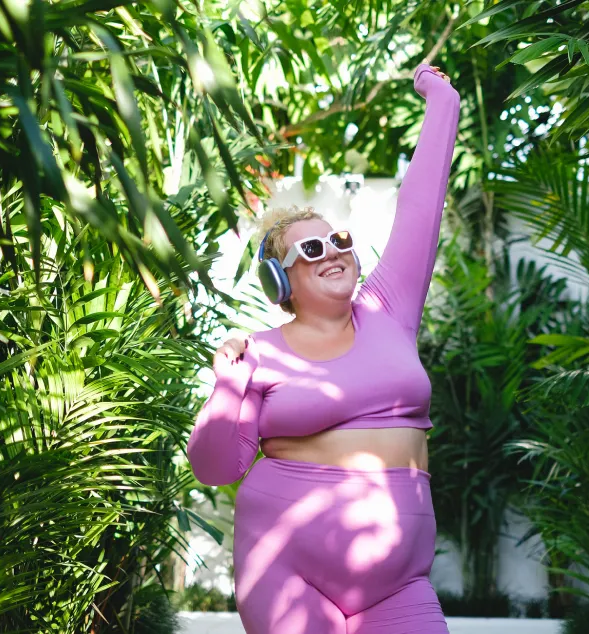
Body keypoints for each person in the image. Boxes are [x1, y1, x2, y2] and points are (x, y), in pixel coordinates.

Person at [187, 62, 460, 634]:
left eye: (338, 240)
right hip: (286, 568)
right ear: (279, 281)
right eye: (310, 247)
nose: (333, 251)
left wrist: (441, 100)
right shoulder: (258, 352)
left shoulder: (390, 310)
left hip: (399, 582)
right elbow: (214, 468)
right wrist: (228, 382)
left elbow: (419, 207)